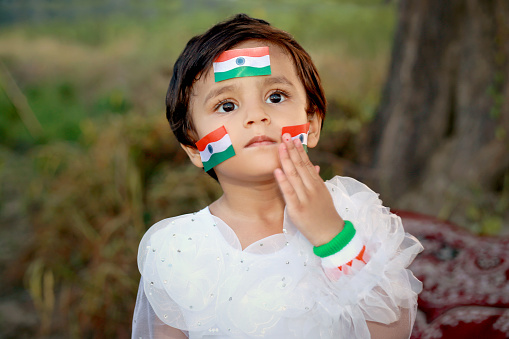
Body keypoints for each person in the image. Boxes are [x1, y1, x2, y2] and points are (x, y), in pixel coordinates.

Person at [132, 14, 423, 339]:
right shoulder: (177, 249)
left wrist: (333, 238)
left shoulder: (353, 214)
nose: (257, 115)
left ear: (311, 124)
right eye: (227, 105)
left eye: (275, 97)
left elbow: (394, 332)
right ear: (197, 150)